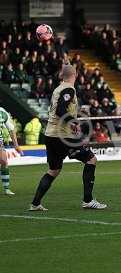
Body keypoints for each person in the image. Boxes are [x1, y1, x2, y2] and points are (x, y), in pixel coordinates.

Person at [29, 63, 107, 211]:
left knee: (54, 170)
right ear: (75, 75)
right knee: (91, 159)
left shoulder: (58, 88)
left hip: (50, 134)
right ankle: (88, 200)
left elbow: (58, 110)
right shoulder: (68, 89)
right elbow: (60, 110)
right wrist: (73, 122)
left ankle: (35, 203)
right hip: (63, 136)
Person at [0, 107, 23, 195]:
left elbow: (11, 129)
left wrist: (16, 145)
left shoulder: (2, 112)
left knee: (4, 161)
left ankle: (6, 189)